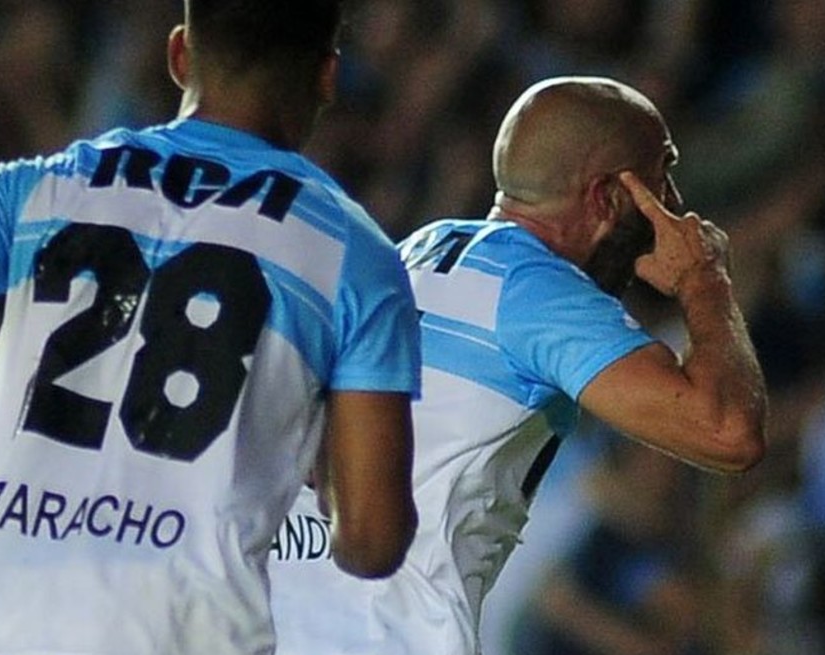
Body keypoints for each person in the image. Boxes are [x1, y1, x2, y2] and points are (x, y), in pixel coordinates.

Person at [0, 2, 421, 653]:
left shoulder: (53, 184)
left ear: (179, 55)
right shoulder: (355, 255)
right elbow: (370, 539)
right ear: (327, 75)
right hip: (177, 622)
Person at [269, 76, 768, 655]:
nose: (675, 206)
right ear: (607, 198)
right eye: (662, 175)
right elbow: (728, 434)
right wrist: (704, 280)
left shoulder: (426, 247)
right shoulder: (539, 295)